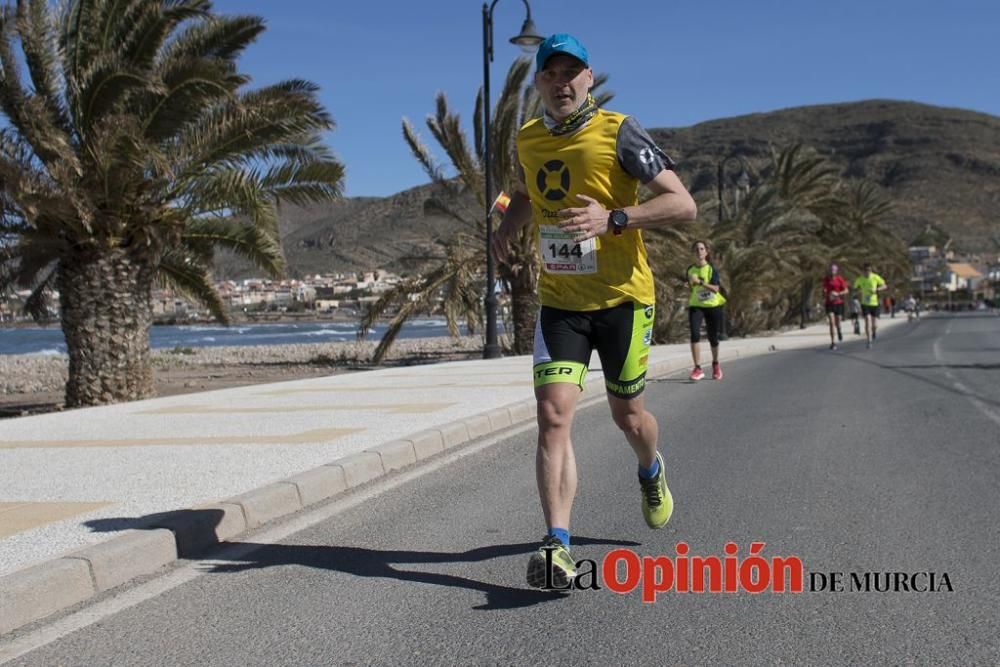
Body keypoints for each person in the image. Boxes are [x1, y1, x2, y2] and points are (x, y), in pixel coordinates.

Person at [491, 33, 697, 589]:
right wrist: (509, 217)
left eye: (570, 73)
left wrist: (616, 219)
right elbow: (526, 189)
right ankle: (557, 544)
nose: (561, 83)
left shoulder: (620, 131)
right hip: (561, 303)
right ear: (537, 84)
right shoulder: (529, 138)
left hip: (623, 301)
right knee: (554, 414)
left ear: (588, 78)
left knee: (629, 417)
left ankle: (651, 470)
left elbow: (683, 204)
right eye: (550, 74)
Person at [686, 240, 727, 379]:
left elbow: (716, 289)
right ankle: (697, 368)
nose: (699, 251)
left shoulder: (711, 269)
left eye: (702, 249)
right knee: (694, 334)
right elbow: (692, 288)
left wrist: (701, 282)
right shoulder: (690, 270)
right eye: (696, 249)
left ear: (706, 252)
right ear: (693, 252)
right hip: (696, 306)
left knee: (713, 337)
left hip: (712, 306)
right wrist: (691, 284)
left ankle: (715, 364)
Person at [853, 263, 887, 348]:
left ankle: (874, 331)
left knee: (874, 325)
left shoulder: (875, 277)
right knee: (867, 320)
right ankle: (869, 340)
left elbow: (884, 286)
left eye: (869, 270)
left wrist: (877, 289)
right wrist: (857, 292)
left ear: (871, 270)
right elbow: (855, 288)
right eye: (865, 270)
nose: (867, 272)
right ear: (863, 271)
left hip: (874, 303)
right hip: (865, 303)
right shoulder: (860, 279)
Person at [821, 263, 849, 350]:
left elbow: (846, 290)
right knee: (831, 323)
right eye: (830, 270)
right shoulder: (826, 279)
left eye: (833, 270)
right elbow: (824, 289)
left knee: (838, 323)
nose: (832, 272)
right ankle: (833, 342)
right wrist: (825, 292)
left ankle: (839, 330)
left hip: (839, 303)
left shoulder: (839, 279)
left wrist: (838, 293)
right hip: (829, 303)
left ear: (836, 271)